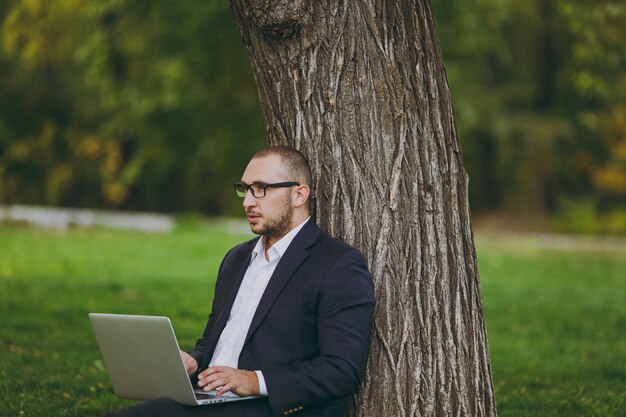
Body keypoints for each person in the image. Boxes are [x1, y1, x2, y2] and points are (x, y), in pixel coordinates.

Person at [102, 145, 375, 417]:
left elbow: (342, 370)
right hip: (205, 400)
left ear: (299, 195)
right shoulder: (237, 258)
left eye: (261, 188)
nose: (247, 202)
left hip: (268, 408)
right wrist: (193, 362)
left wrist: (254, 381)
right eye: (245, 189)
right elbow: (212, 342)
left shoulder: (337, 264)